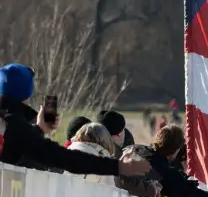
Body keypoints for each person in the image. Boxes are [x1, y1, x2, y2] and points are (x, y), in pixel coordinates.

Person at [0, 63, 150, 178]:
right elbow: (61, 158)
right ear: (27, 93)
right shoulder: (14, 124)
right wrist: (118, 167)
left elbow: (18, 147)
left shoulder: (11, 124)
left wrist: (39, 130)